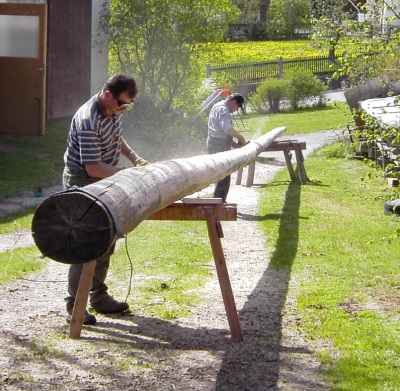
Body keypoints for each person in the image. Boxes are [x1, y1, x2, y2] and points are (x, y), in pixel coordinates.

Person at [63, 74, 148, 325]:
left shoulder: (112, 111)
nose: (123, 109)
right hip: (83, 182)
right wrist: (127, 174)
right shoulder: (88, 119)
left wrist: (135, 158)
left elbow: (116, 138)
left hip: (105, 178)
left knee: (107, 238)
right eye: (121, 103)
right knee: (86, 244)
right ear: (108, 94)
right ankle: (73, 304)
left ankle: (98, 297)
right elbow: (93, 168)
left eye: (127, 106)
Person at [207, 93, 247, 202]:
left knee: (221, 174)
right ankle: (219, 203)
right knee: (224, 174)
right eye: (238, 107)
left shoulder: (217, 105)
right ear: (233, 102)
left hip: (213, 142)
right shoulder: (224, 110)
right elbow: (227, 129)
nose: (236, 110)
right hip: (218, 145)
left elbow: (221, 131)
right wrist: (241, 138)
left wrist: (235, 144)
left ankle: (218, 200)